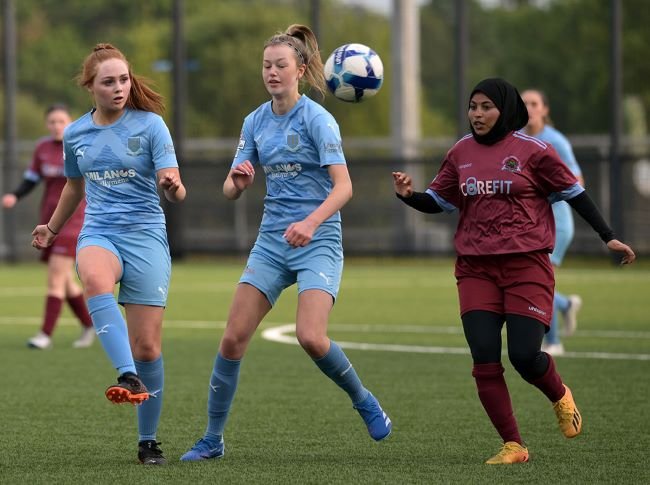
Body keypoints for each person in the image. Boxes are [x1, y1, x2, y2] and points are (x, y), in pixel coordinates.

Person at [392, 78, 635, 465]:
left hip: (527, 265)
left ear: (505, 109)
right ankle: (514, 445)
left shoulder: (535, 151)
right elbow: (439, 201)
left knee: (524, 356)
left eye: (486, 106)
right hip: (475, 269)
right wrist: (409, 196)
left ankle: (559, 395)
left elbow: (575, 194)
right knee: (484, 357)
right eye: (473, 106)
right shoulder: (460, 152)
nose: (477, 114)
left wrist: (609, 236)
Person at [180, 24, 392, 462]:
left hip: (318, 239)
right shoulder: (254, 121)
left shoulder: (318, 119)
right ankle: (213, 439)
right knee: (233, 339)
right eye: (266, 65)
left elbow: (344, 187)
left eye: (280, 65)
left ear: (301, 69)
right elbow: (229, 189)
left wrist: (312, 223)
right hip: (272, 242)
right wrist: (236, 182)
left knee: (311, 337)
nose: (272, 72)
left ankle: (364, 400)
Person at [31, 43, 186, 465]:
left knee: (149, 347)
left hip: (147, 236)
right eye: (108, 82)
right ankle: (126, 373)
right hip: (99, 232)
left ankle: (148, 440)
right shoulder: (77, 133)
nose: (119, 88)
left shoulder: (152, 126)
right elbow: (74, 187)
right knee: (95, 279)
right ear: (90, 87)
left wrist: (172, 188)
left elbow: (175, 185)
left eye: (123, 80)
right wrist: (52, 228)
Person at [3, 104, 94, 350]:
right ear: (47, 124)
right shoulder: (42, 148)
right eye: (52, 121)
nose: (56, 126)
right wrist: (14, 195)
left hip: (73, 220)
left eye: (61, 121)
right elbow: (31, 179)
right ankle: (89, 325)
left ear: (70, 122)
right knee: (65, 281)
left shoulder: (79, 145)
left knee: (55, 277)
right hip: (49, 220)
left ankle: (45, 334)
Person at [522, 89, 583, 356]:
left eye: (534, 103)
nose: (529, 108)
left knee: (540, 283)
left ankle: (554, 341)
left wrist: (545, 191)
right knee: (530, 280)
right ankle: (565, 305)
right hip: (533, 225)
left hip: (556, 223)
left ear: (545, 109)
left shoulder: (555, 141)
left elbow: (577, 181)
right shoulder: (519, 140)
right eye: (524, 103)